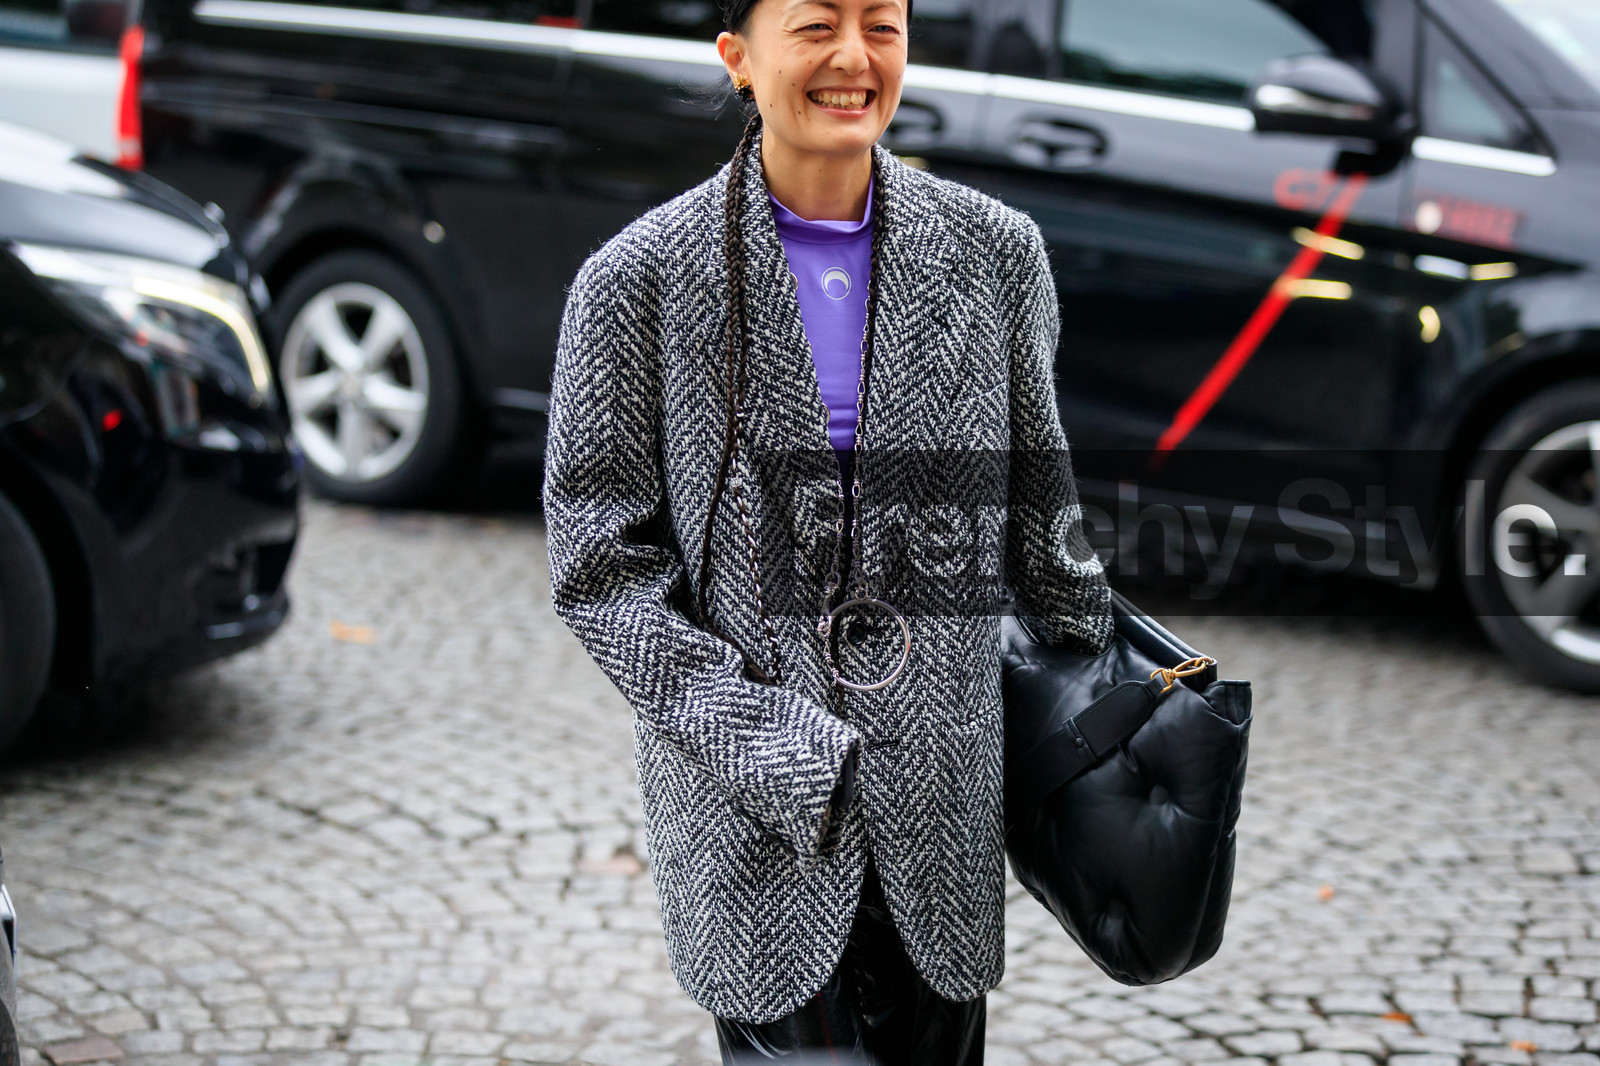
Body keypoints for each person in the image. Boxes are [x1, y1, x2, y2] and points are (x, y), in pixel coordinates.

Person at [541, 0, 1113, 1061]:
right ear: (738, 60)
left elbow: (1046, 530)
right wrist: (773, 749)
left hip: (942, 829)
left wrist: (1128, 719)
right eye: (814, 26)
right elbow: (600, 571)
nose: (854, 57)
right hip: (761, 834)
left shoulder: (996, 256)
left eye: (881, 25)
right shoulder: (637, 281)